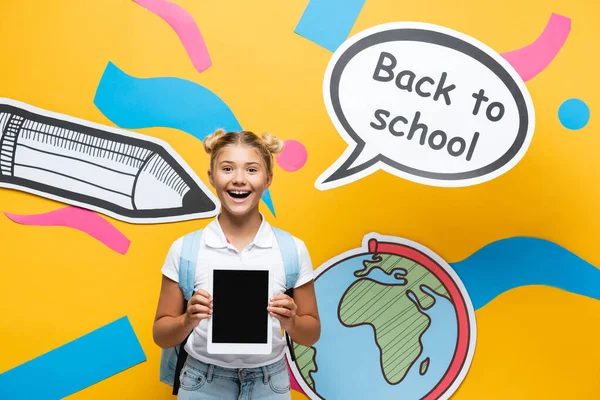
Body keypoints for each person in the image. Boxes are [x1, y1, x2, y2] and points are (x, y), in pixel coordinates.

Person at [153, 129, 320, 399]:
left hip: (271, 382)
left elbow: (311, 334)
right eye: (227, 168)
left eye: (251, 170)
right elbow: (161, 335)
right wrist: (188, 319)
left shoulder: (291, 250)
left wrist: (291, 320)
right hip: (202, 381)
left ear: (268, 178)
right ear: (211, 177)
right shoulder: (186, 249)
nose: (239, 179)